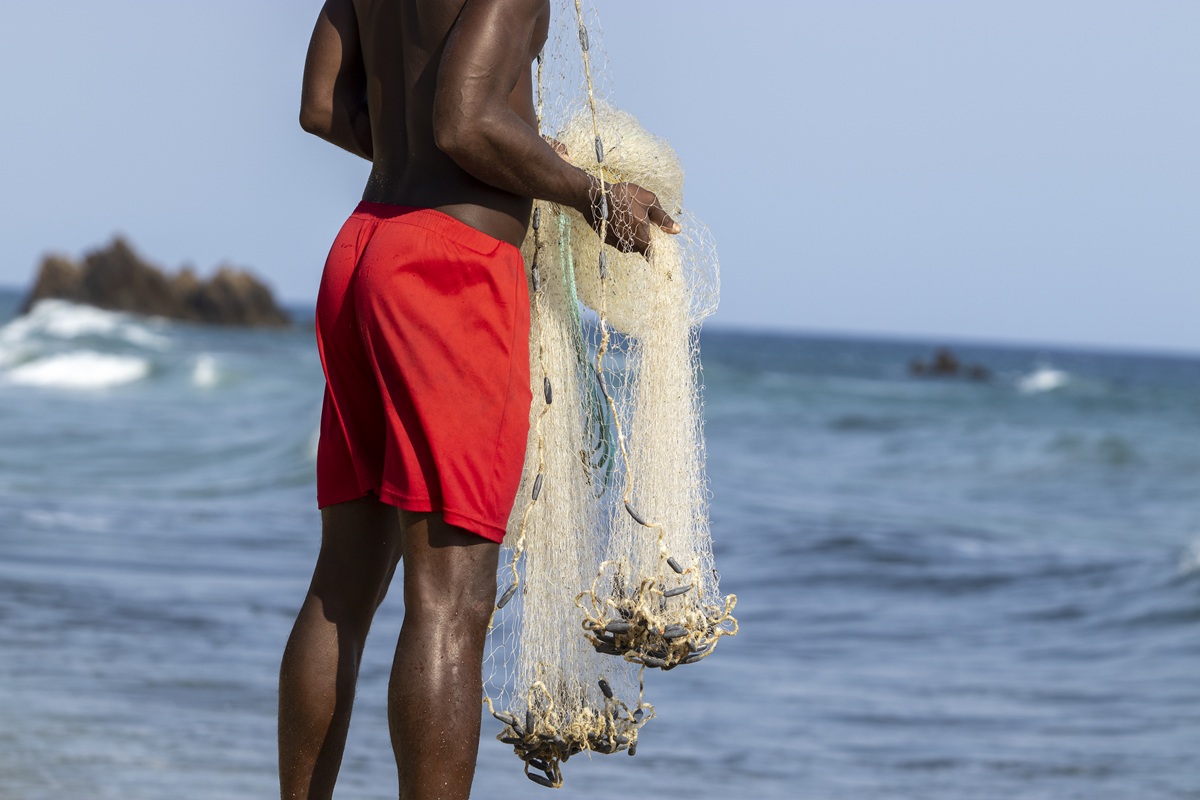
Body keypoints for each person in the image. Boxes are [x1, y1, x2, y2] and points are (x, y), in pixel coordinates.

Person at [278, 1, 680, 798]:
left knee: (343, 586)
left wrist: (506, 160)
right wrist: (590, 195)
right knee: (451, 604)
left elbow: (322, 104)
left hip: (363, 250)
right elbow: (465, 123)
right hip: (447, 275)